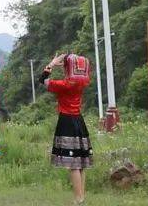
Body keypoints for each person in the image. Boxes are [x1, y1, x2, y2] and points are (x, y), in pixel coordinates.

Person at [40, 53, 93, 206]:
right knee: (81, 162)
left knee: (73, 164)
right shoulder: (82, 83)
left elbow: (42, 80)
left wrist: (51, 63)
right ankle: (81, 196)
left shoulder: (64, 85)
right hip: (79, 120)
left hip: (67, 121)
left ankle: (78, 199)